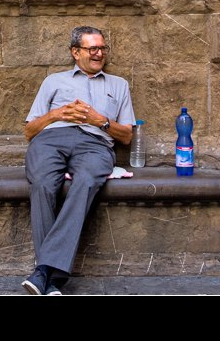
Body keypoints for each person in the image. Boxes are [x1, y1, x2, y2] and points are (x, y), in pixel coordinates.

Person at [21, 26, 136, 295]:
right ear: (75, 52)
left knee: (86, 181)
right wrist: (57, 114)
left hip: (95, 145)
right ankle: (51, 275)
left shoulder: (119, 85)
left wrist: (101, 121)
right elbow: (29, 131)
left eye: (102, 48)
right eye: (92, 48)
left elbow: (127, 136)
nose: (99, 54)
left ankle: (44, 272)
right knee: (42, 182)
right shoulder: (53, 81)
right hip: (51, 139)